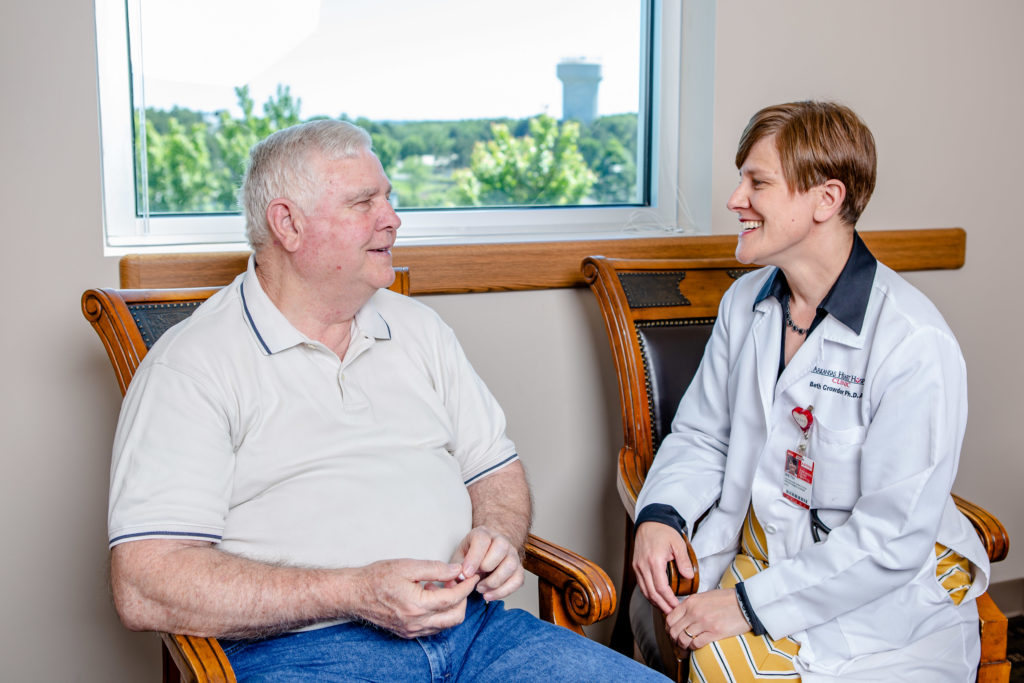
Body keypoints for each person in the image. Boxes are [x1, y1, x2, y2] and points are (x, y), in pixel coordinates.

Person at [107, 119, 667, 682]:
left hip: (478, 635)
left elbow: (495, 471)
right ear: (288, 224)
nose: (392, 219)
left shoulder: (419, 329)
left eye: (389, 198)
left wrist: (499, 533)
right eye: (362, 202)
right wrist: (355, 592)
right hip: (307, 653)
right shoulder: (193, 364)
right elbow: (144, 582)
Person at [631, 101, 989, 681]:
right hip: (764, 552)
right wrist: (661, 513)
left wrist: (748, 607)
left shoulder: (913, 341)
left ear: (827, 199)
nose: (734, 200)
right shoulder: (744, 303)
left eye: (758, 182)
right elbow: (701, 434)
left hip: (878, 602)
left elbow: (892, 536)